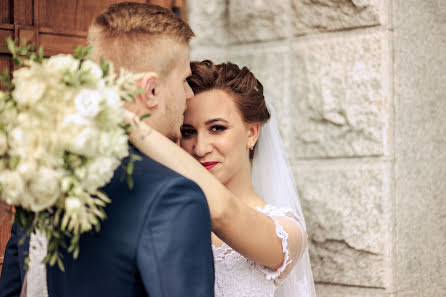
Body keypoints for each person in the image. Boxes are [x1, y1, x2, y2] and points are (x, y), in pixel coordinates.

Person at [0, 3, 215, 297]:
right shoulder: (172, 196)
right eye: (183, 80)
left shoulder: (43, 175)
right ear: (151, 90)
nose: (189, 95)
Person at [126, 60, 317, 297]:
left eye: (216, 128)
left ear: (252, 132)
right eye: (188, 132)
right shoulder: (163, 215)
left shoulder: (287, 232)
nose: (200, 148)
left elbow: (223, 213)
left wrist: (129, 124)